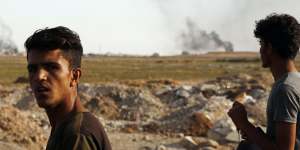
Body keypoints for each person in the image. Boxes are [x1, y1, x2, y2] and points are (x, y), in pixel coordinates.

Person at [25, 26, 112, 150]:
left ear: (74, 77)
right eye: (32, 69)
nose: (39, 77)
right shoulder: (64, 127)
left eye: (52, 67)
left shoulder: (78, 135)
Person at [228, 13, 300, 150]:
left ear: (269, 48)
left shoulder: (285, 89)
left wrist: (244, 124)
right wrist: (255, 134)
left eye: (262, 44)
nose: (260, 50)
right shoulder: (295, 81)